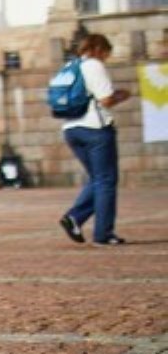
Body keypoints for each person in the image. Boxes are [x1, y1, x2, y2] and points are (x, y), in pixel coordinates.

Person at [59, 34, 133, 246]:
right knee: (106, 180)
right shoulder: (94, 65)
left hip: (71, 128)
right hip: (95, 129)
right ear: (99, 50)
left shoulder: (70, 66)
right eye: (106, 54)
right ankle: (103, 233)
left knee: (98, 179)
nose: (106, 59)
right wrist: (122, 95)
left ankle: (74, 218)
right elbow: (106, 100)